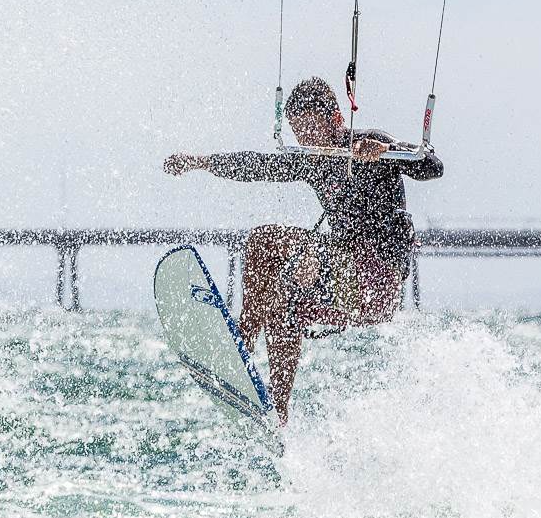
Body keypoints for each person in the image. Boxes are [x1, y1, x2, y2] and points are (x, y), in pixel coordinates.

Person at [163, 76, 444, 424]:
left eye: (312, 129)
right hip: (345, 283)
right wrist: (201, 162)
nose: (306, 140)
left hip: (375, 282)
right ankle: (278, 413)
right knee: (282, 303)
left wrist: (385, 151)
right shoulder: (312, 160)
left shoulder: (367, 144)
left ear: (336, 119)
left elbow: (433, 166)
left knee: (264, 239)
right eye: (299, 133)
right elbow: (256, 166)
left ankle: (242, 341)